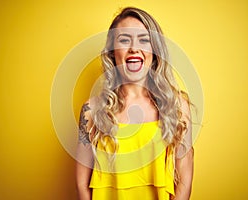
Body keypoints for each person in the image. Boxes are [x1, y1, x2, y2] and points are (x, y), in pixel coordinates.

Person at [76, 7, 194, 200]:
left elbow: (185, 180)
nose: (134, 48)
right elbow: (82, 185)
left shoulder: (178, 108)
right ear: (113, 52)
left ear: (155, 51)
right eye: (124, 40)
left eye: (144, 39)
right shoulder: (91, 111)